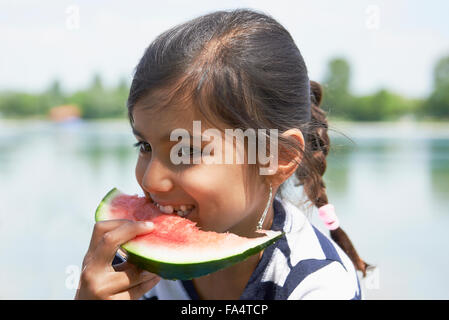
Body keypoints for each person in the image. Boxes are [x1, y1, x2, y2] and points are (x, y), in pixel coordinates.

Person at [75, 8, 369, 300]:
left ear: (277, 157)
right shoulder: (130, 269)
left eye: (186, 151)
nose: (150, 180)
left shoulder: (318, 286)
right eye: (145, 146)